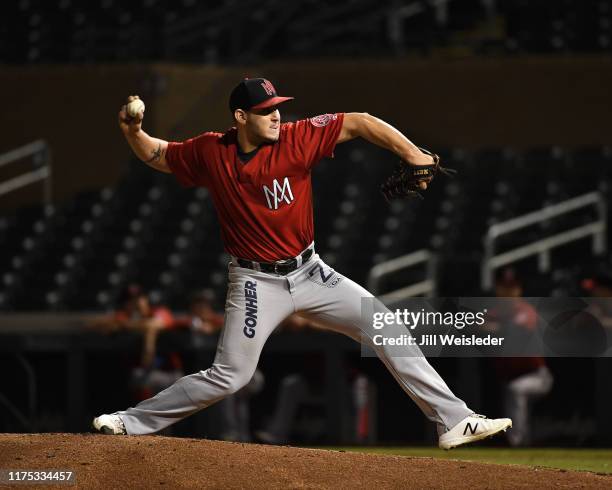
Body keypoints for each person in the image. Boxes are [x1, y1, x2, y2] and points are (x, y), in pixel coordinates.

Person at [93, 77, 511, 449]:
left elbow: (360, 121)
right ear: (240, 116)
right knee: (231, 375)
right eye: (264, 111)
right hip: (256, 282)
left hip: (311, 272)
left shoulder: (297, 137)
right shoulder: (211, 151)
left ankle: (455, 420)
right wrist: (134, 131)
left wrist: (413, 153)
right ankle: (130, 422)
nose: (276, 116)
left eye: (277, 108)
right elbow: (159, 156)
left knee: (385, 326)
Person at [490, 269, 553, 446]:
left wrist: (488, 327)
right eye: (504, 287)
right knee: (511, 391)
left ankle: (517, 442)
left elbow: (517, 328)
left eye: (512, 287)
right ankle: (518, 439)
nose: (508, 292)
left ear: (519, 290)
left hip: (537, 376)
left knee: (516, 389)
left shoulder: (525, 310)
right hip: (509, 375)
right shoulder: (494, 312)